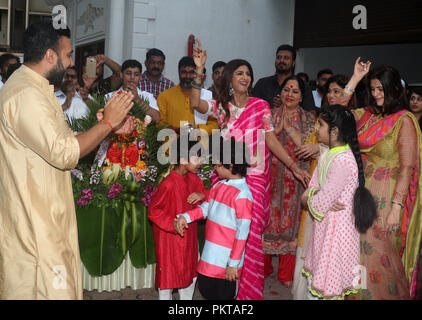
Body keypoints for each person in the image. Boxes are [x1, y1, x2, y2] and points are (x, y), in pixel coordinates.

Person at [0, 20, 134, 300]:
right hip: (35, 224)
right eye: (69, 54)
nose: (72, 62)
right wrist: (107, 124)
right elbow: (64, 153)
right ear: (50, 55)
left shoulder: (35, 89)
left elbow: (61, 139)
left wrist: (105, 128)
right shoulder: (26, 95)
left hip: (46, 213)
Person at [190, 39, 310, 300]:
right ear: (230, 78)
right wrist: (200, 69)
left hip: (254, 180)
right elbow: (196, 104)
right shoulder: (221, 107)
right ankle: (223, 289)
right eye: (239, 73)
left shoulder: (260, 106)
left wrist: (293, 167)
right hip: (226, 180)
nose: (245, 77)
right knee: (223, 233)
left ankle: (247, 295)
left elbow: (270, 139)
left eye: (248, 73)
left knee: (250, 237)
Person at [338, 60, 422, 300]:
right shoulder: (367, 116)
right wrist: (355, 79)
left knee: (379, 255)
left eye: (380, 89)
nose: (375, 94)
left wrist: (397, 208)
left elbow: (407, 167)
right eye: (372, 89)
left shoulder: (403, 120)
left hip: (388, 194)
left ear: (394, 89)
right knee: (356, 252)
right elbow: (336, 113)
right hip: (362, 191)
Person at [301, 105, 377, 300]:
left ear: (334, 131)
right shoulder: (327, 154)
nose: (316, 128)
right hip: (325, 229)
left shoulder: (343, 159)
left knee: (327, 291)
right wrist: (316, 194)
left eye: (321, 125)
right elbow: (310, 195)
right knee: (316, 287)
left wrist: (315, 196)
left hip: (336, 234)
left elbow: (318, 203)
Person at [175, 138, 253, 300]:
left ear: (230, 165)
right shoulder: (219, 186)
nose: (214, 168)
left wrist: (233, 264)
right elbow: (206, 208)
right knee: (205, 287)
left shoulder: (243, 195)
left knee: (223, 296)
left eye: (217, 164)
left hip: (226, 263)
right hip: (210, 257)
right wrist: (186, 217)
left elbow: (242, 233)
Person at [262, 76, 316, 288]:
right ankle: (264, 268)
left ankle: (285, 273)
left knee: (294, 224)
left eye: (295, 91)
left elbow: (308, 147)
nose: (290, 95)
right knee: (267, 221)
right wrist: (276, 128)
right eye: (286, 90)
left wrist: (289, 128)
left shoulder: (309, 119)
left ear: (302, 96)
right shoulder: (269, 116)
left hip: (297, 177)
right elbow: (260, 143)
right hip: (271, 176)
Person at [148, 138, 208, 300]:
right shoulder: (168, 184)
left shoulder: (194, 180)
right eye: (196, 158)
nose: (200, 163)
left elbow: (209, 198)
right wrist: (172, 224)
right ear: (182, 159)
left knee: (189, 274)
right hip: (170, 240)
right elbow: (153, 211)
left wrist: (202, 195)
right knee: (168, 277)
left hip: (188, 239)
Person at [157, 56, 219, 135]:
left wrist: (199, 130)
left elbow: (215, 124)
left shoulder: (207, 95)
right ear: (178, 72)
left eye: (191, 72)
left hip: (200, 143)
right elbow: (159, 123)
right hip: (173, 144)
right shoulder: (165, 96)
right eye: (184, 72)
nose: (187, 76)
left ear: (197, 73)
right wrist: (176, 129)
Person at [253, 44, 316, 111]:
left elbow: (312, 115)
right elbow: (252, 110)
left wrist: (287, 105)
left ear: (293, 63)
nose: (282, 60)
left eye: (286, 58)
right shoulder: (262, 84)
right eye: (278, 57)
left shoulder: (303, 86)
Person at [105, 59, 161, 123]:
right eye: (128, 73)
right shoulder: (109, 96)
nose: (132, 77)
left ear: (140, 77)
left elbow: (157, 119)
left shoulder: (148, 96)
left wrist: (137, 99)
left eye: (136, 74)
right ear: (121, 75)